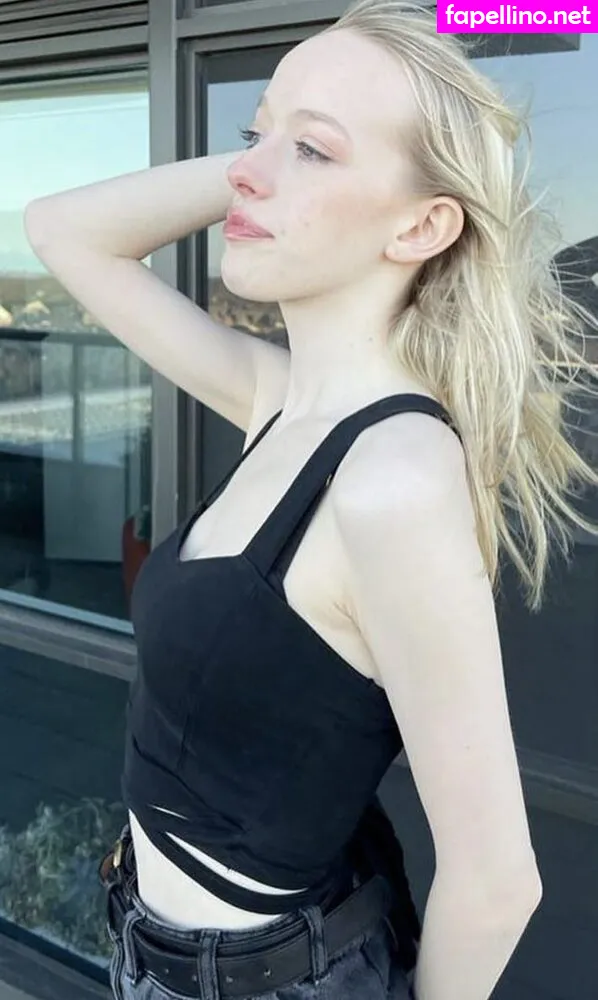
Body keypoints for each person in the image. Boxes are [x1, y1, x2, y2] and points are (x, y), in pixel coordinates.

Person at [24, 2, 598, 998]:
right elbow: (63, 232)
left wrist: (277, 154)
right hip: (150, 947)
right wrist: (277, 153)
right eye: (255, 134)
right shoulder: (281, 398)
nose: (249, 171)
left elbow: (497, 881)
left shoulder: (392, 476)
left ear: (422, 225)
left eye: (315, 151)